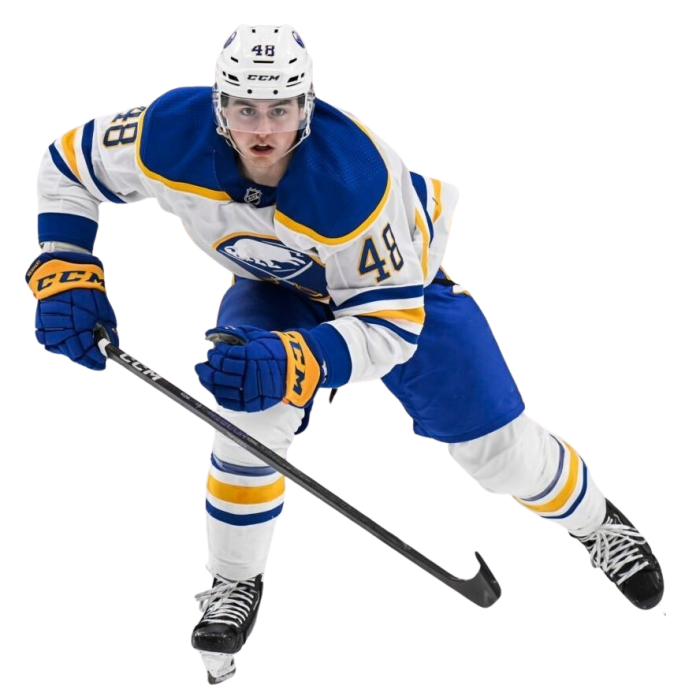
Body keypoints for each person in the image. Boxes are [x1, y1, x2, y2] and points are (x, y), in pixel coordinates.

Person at [27, 23, 665, 685]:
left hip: (397, 298)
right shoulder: (167, 130)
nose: (262, 130)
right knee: (248, 413)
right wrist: (67, 265)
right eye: (245, 108)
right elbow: (67, 165)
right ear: (219, 105)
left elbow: (390, 331)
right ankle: (235, 581)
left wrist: (300, 360)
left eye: (280, 109)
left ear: (307, 106)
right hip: (275, 285)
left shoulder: (359, 180)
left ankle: (599, 525)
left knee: (496, 451)